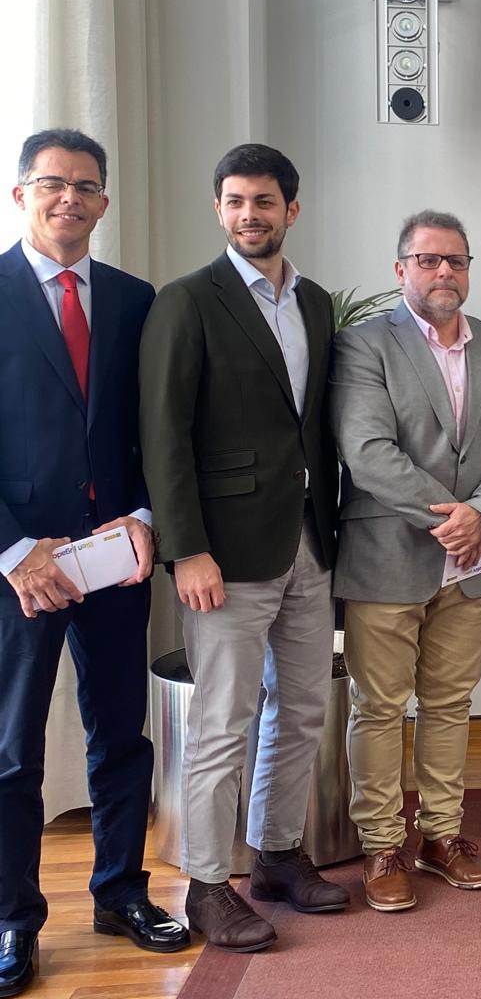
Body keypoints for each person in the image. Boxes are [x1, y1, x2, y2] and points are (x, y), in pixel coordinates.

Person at [140, 144, 347, 953]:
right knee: (224, 721)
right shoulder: (187, 301)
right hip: (222, 554)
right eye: (234, 201)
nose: (249, 215)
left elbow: (317, 427)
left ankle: (277, 856)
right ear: (218, 209)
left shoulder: (319, 303)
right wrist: (185, 548)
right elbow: (165, 436)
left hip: (308, 542)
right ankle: (204, 886)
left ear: (291, 209)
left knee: (302, 709)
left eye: (264, 201)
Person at [0, 130, 186, 998]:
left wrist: (145, 514)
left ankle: (120, 894)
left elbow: (155, 427)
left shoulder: (133, 299)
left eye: (85, 187)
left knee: (122, 735)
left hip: (114, 559)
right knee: (13, 753)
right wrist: (12, 548)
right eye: (52, 184)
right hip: (20, 570)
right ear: (21, 195)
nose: (68, 198)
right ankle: (12, 919)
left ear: (104, 203)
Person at [330, 212, 481, 913]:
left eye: (455, 261)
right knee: (380, 707)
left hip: (474, 558)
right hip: (389, 553)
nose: (443, 272)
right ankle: (382, 845)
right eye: (427, 260)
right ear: (401, 270)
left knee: (449, 705)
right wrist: (454, 517)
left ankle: (442, 837)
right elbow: (367, 450)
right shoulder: (362, 345)